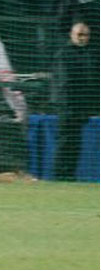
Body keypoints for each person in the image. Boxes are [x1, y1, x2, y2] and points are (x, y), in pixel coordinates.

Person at [51, 22, 99, 181]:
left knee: (75, 143)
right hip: (67, 107)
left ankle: (69, 175)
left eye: (85, 35)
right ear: (72, 35)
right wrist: (66, 106)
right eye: (79, 34)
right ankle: (59, 176)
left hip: (80, 107)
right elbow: (63, 83)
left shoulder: (89, 54)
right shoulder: (64, 54)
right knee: (65, 142)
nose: (82, 38)